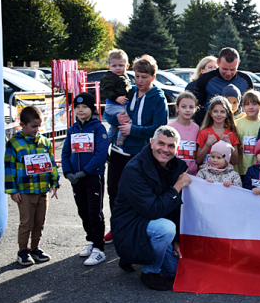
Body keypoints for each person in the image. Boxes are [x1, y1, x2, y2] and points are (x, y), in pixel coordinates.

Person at [111, 126, 191, 290]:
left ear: (177, 148)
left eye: (171, 146)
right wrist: (177, 187)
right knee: (166, 228)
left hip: (152, 221)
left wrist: (176, 240)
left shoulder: (176, 167)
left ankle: (140, 254)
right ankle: (149, 272)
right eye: (161, 143)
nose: (165, 149)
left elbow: (175, 207)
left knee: (176, 273)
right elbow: (153, 210)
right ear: (152, 143)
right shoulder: (134, 169)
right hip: (130, 225)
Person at [105, 55, 168, 244]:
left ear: (153, 77)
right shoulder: (129, 92)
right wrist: (117, 120)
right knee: (114, 190)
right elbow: (109, 114)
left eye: (144, 77)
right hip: (119, 150)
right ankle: (116, 227)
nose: (140, 81)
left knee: (140, 194)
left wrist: (134, 130)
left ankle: (138, 229)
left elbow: (160, 128)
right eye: (137, 76)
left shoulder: (158, 98)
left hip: (141, 154)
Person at [5, 105, 60, 266]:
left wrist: (54, 182)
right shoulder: (14, 144)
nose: (37, 129)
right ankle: (23, 250)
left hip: (42, 189)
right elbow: (9, 168)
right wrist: (12, 191)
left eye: (39, 126)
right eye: (33, 126)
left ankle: (35, 247)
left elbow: (51, 163)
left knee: (39, 221)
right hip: (25, 191)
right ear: (22, 125)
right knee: (26, 222)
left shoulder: (44, 142)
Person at [61, 92, 109, 266]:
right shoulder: (72, 129)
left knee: (94, 212)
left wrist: (86, 172)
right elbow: (65, 153)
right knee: (82, 211)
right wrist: (67, 172)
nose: (80, 110)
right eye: (78, 107)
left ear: (92, 109)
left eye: (85, 107)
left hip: (92, 177)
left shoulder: (98, 128)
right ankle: (91, 240)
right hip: (76, 179)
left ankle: (99, 248)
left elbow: (100, 154)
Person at [193, 47, 253, 125]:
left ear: (238, 63)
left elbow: (251, 105)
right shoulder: (205, 79)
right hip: (210, 126)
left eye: (232, 70)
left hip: (238, 127)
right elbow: (197, 106)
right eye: (224, 69)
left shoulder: (246, 80)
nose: (228, 73)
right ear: (218, 62)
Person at [195, 97, 240, 167]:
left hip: (225, 175)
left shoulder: (231, 134)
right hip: (207, 174)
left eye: (222, 112)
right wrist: (208, 144)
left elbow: (235, 161)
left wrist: (229, 144)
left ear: (227, 114)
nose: (219, 114)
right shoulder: (203, 133)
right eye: (215, 111)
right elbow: (198, 160)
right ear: (210, 113)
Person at [102, 49, 132, 149]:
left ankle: (106, 144)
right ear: (109, 66)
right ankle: (119, 142)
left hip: (121, 105)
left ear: (127, 66)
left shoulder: (125, 77)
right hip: (114, 105)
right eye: (114, 66)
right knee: (127, 121)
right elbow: (107, 91)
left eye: (121, 65)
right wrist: (116, 98)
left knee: (114, 127)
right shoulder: (109, 77)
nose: (118, 68)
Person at [168, 92, 200, 175]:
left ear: (195, 108)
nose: (188, 110)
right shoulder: (170, 127)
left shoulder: (197, 128)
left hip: (192, 175)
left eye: (191, 107)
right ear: (177, 108)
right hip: (173, 173)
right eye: (183, 107)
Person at [235, 90, 260, 175]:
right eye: (247, 104)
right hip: (241, 169)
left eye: (254, 104)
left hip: (259, 169)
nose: (250, 107)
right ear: (243, 107)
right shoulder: (236, 123)